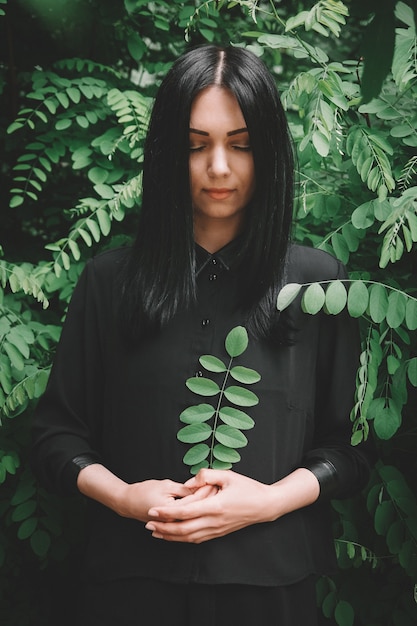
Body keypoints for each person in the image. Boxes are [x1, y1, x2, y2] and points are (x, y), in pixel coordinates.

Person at [31, 44, 374, 626]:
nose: (219, 166)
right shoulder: (109, 282)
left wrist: (266, 503)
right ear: (167, 154)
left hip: (276, 592)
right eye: (196, 145)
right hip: (127, 588)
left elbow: (351, 450)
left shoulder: (319, 285)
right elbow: (54, 436)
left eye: (240, 145)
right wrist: (122, 496)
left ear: (269, 153)